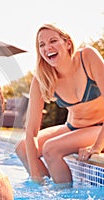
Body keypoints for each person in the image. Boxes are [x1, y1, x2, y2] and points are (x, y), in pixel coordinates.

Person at [16, 23, 104, 185]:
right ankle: (47, 190)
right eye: (41, 45)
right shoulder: (42, 78)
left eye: (53, 41)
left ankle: (65, 196)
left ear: (68, 43)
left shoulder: (88, 57)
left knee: (51, 149)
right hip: (73, 127)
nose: (47, 47)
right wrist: (35, 174)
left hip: (100, 128)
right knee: (22, 148)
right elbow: (31, 131)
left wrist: (97, 146)